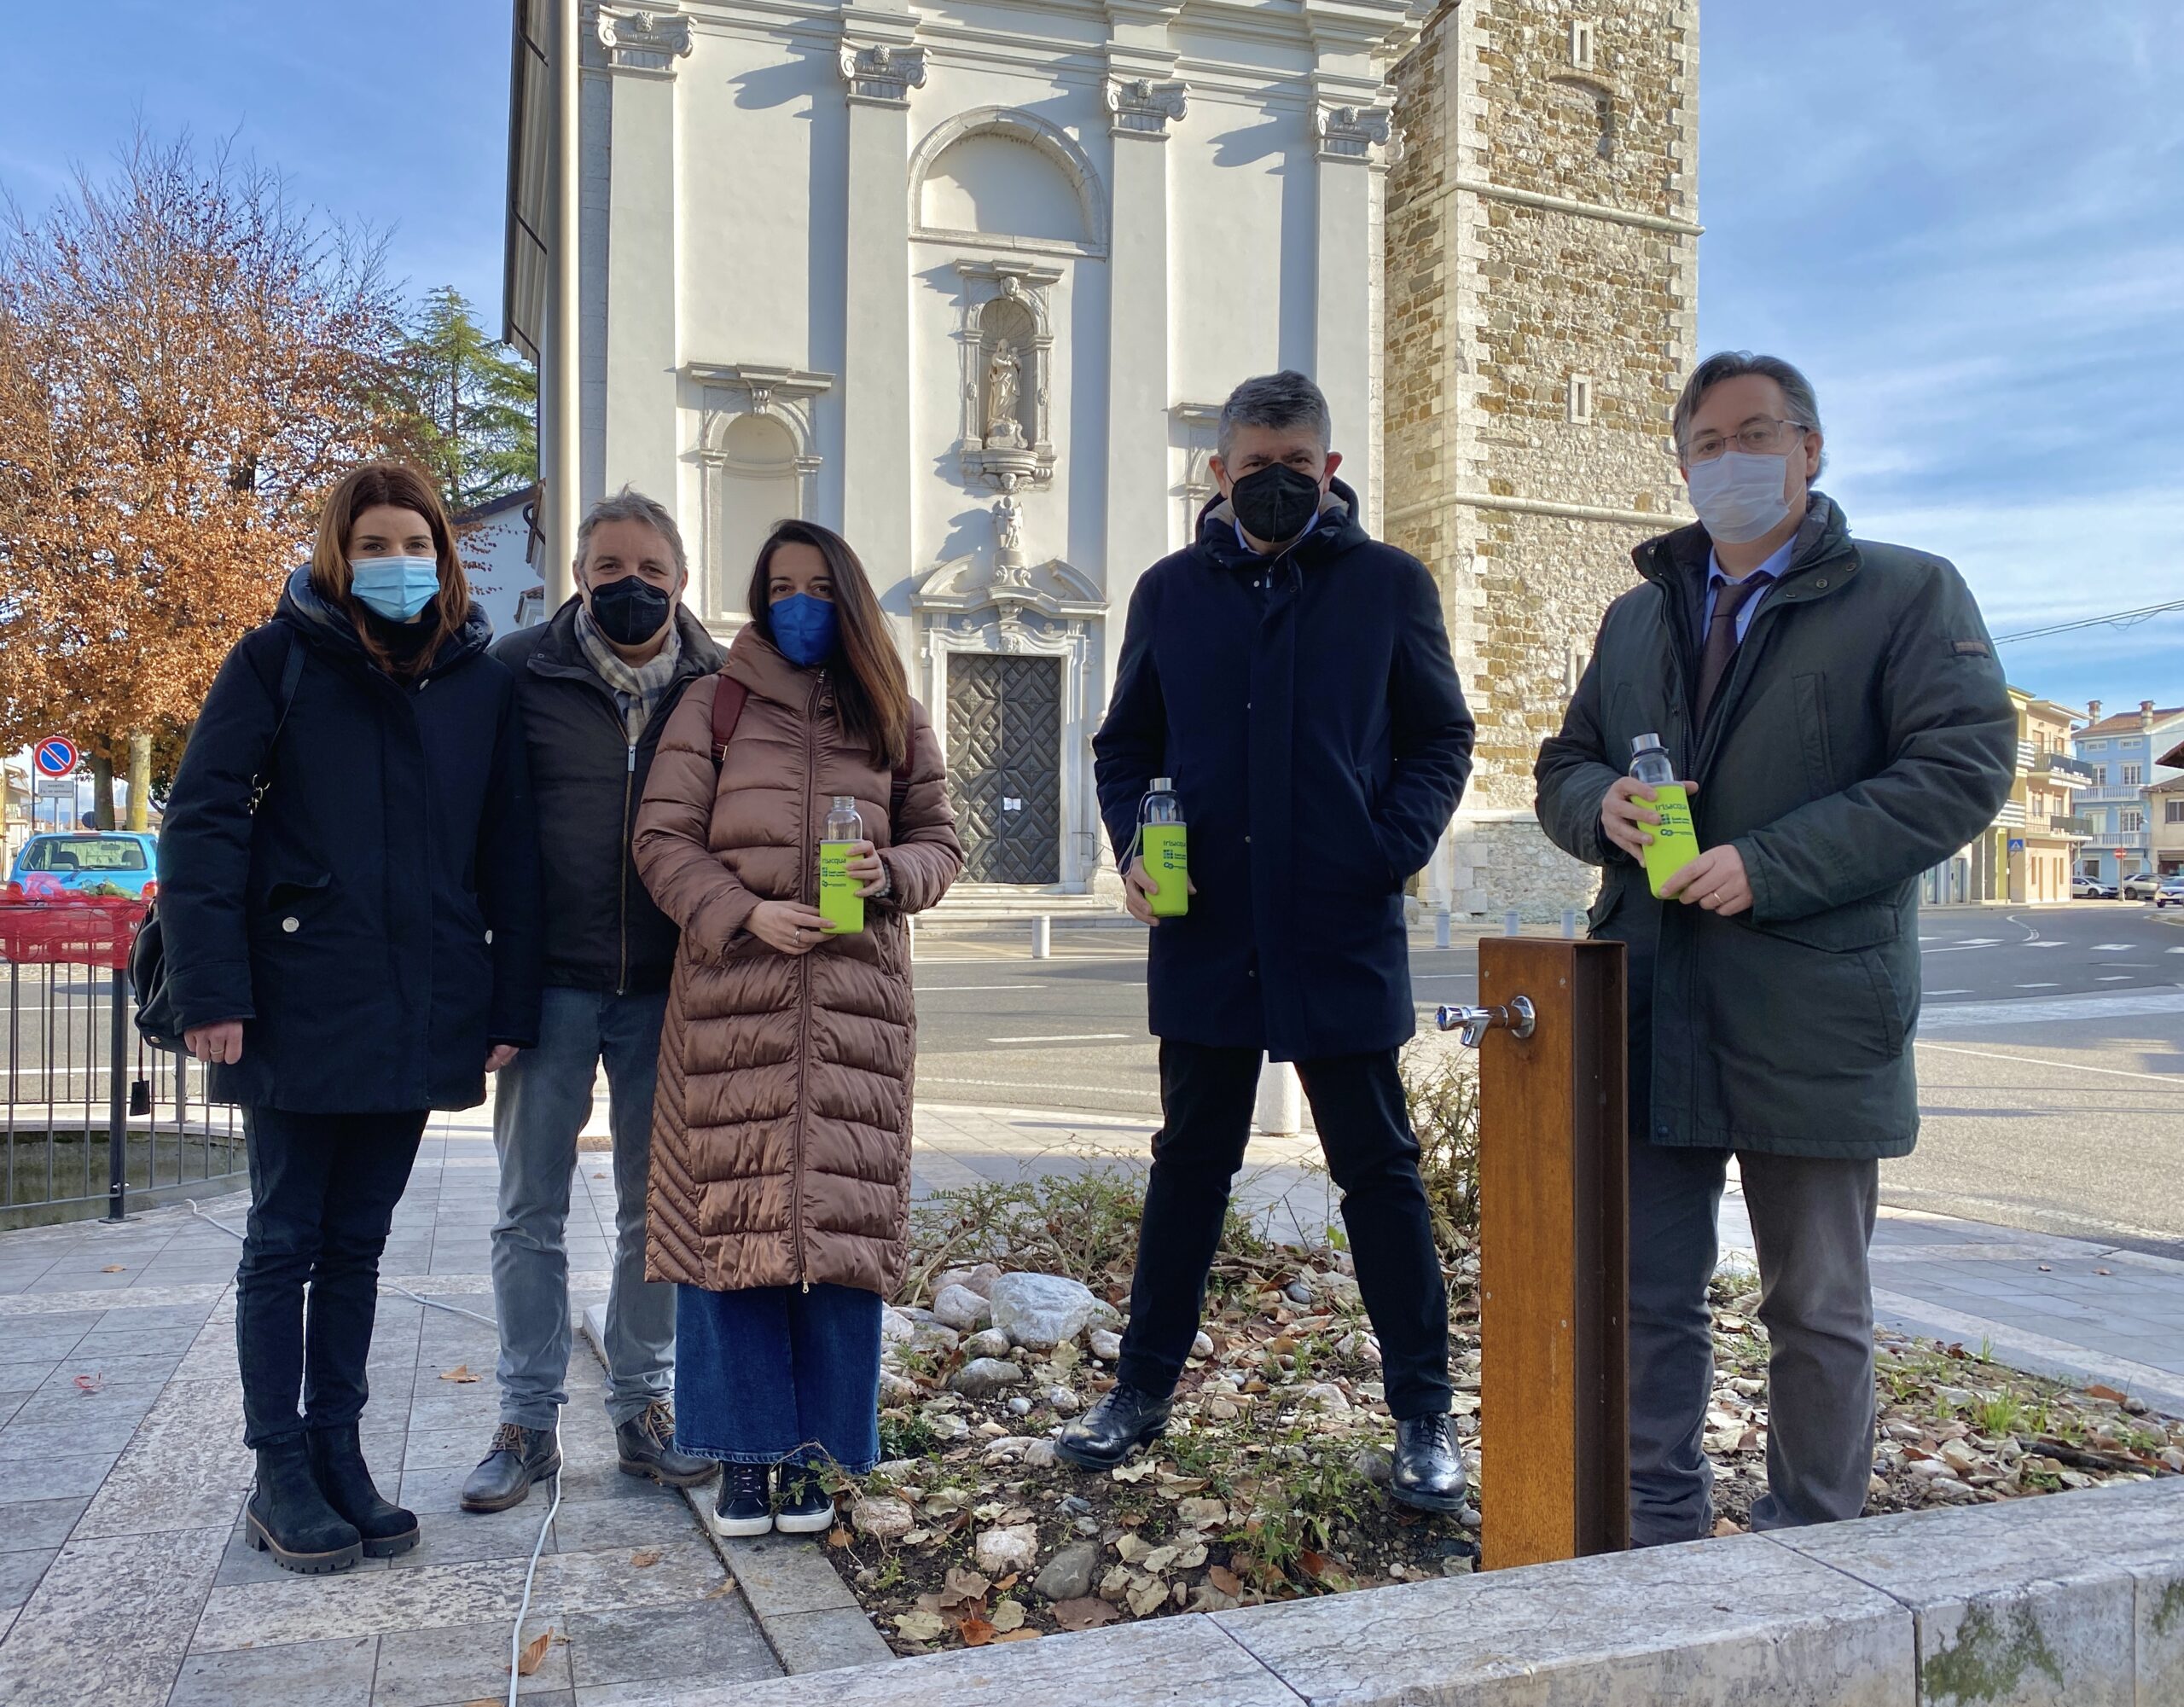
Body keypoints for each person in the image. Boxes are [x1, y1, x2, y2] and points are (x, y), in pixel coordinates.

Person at [1535, 351, 2016, 1544]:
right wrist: (1600, 808)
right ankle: (1656, 1528)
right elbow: (1564, 761)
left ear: (1811, 448)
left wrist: (1774, 864)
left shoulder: (1909, 593)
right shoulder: (1639, 613)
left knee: (1817, 1303)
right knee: (1649, 1295)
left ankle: (1816, 1537)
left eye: (1757, 434)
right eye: (1706, 443)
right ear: (1685, 464)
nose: (1731, 461)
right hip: (1651, 998)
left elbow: (1959, 770)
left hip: (1813, 1005)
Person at [1072, 370, 1476, 1511]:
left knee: (1380, 1172)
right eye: (1255, 469)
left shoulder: (1392, 586)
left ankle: (1423, 1413)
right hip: (1206, 928)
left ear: (1331, 471)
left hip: (1337, 927)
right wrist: (1136, 850)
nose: (1276, 486)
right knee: (1190, 1167)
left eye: (1297, 470)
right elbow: (1125, 745)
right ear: (1219, 473)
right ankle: (1141, 1391)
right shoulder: (1169, 592)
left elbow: (1440, 735)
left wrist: (1384, 844)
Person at [159, 463, 542, 1574]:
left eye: (413, 542)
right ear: (338, 554)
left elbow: (508, 852)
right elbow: (203, 824)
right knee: (285, 1240)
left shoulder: (479, 683)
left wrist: (507, 999)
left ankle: (340, 1453)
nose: (396, 564)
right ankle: (280, 1469)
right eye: (373, 544)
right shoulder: (275, 661)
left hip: (423, 1002)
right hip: (293, 1000)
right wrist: (212, 990)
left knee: (359, 1245)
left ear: (444, 554)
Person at [633, 520, 963, 1537]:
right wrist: (744, 912)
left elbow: (942, 842)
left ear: (851, 596)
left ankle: (817, 1459)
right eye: (780, 585)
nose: (797, 603)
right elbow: (660, 839)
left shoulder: (893, 715)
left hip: (858, 1010)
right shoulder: (713, 705)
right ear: (756, 596)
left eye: (818, 585)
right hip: (735, 999)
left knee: (838, 1236)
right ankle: (742, 1459)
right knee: (728, 1235)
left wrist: (892, 875)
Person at [460, 490, 724, 1513]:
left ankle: (643, 1410)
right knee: (529, 1210)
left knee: (656, 1214)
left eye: (650, 569)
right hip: (547, 984)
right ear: (578, 576)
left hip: (672, 987)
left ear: (682, 578)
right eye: (609, 568)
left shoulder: (719, 682)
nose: (631, 586)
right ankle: (526, 1423)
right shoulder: (517, 669)